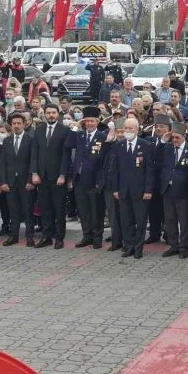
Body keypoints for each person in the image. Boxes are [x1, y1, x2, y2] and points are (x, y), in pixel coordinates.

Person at [109, 117, 155, 259]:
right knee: (126, 221)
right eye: (126, 128)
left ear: (137, 129)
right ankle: (129, 246)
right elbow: (114, 169)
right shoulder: (119, 145)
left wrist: (148, 190)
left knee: (140, 221)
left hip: (140, 191)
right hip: (123, 191)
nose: (128, 131)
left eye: (131, 128)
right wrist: (115, 189)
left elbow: (150, 170)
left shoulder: (145, 145)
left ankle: (138, 248)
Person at [30, 103, 71, 249]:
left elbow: (66, 155)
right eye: (48, 113)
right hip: (42, 177)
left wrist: (63, 175)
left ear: (58, 114)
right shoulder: (39, 130)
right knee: (45, 208)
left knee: (59, 209)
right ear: (45, 114)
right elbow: (34, 152)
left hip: (58, 177)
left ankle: (59, 238)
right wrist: (34, 173)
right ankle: (46, 236)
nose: (51, 115)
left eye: (53, 113)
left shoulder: (64, 130)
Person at [70, 107, 108, 249]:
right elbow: (67, 143)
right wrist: (75, 126)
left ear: (97, 122)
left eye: (92, 121)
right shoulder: (79, 135)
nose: (89, 123)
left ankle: (97, 237)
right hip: (79, 178)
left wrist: (100, 180)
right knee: (83, 210)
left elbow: (104, 161)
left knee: (96, 210)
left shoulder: (102, 137)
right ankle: (87, 236)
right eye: (87, 121)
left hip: (94, 180)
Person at [159, 122, 188, 258]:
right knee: (170, 219)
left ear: (184, 137)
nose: (174, 140)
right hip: (168, 189)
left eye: (177, 137)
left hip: (183, 191)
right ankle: (173, 245)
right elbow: (156, 156)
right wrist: (163, 141)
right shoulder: (167, 147)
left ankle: (184, 247)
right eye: (173, 137)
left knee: (184, 220)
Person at [0, 113, 35, 247]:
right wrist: (3, 182)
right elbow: (3, 163)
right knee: (13, 210)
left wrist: (31, 180)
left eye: (19, 123)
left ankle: (29, 237)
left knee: (27, 210)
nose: (16, 126)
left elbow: (33, 161)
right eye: (14, 123)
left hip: (25, 181)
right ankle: (13, 236)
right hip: (10, 181)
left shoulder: (30, 140)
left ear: (24, 124)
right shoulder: (7, 141)